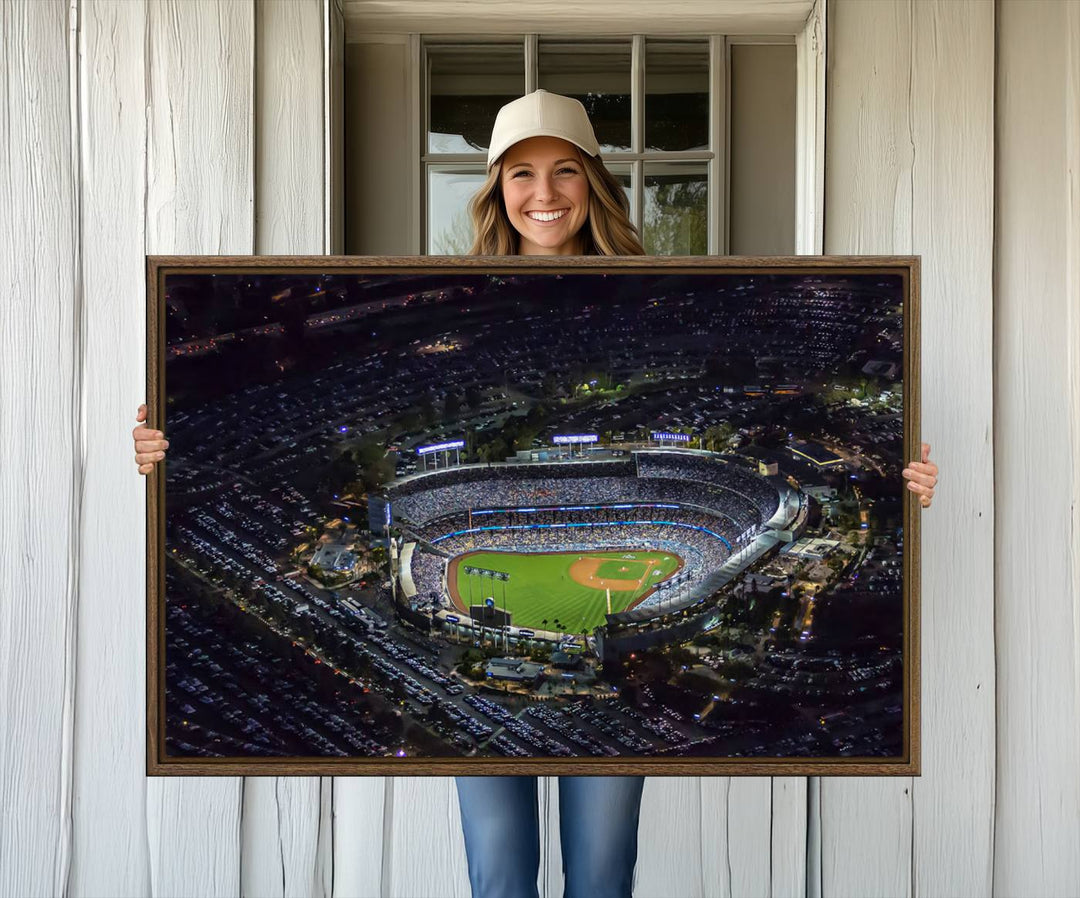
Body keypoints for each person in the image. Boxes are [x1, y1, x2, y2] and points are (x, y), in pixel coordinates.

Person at [131, 89, 940, 898]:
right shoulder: (458, 306)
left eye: (564, 171)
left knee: (600, 872)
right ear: (495, 190)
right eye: (521, 173)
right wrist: (169, 442)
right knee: (499, 872)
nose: (544, 193)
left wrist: (904, 479)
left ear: (593, 182)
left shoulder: (659, 295)